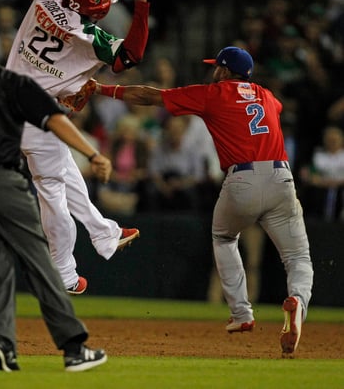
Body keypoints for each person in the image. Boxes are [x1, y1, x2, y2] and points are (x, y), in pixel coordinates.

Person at [89, 46, 314, 358]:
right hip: (281, 179)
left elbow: (148, 96)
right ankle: (298, 304)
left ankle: (241, 314)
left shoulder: (214, 93)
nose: (213, 70)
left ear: (223, 70)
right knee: (299, 258)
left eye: (216, 66)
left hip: (242, 178)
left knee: (223, 237)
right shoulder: (266, 95)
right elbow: (274, 110)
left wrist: (102, 89)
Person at [0, 19, 109, 372]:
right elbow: (54, 119)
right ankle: (74, 348)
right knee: (40, 263)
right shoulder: (9, 80)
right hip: (1, 184)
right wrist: (91, 154)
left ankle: (2, 344)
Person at [5, 0, 157, 294]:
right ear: (102, 11)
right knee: (52, 191)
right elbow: (131, 57)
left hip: (7, 102)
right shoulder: (94, 39)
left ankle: (104, 233)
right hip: (38, 117)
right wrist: (141, 5)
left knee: (65, 174)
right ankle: (64, 273)